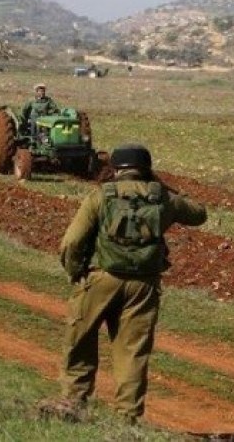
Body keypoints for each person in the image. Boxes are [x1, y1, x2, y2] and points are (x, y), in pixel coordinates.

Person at [45, 144, 207, 424]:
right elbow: (199, 214)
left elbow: (71, 242)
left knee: (80, 339)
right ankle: (127, 419)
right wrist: (163, 186)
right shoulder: (164, 199)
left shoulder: (100, 197)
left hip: (100, 279)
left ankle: (74, 402)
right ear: (147, 169)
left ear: (116, 169)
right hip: (143, 286)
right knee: (132, 351)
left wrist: (76, 272)